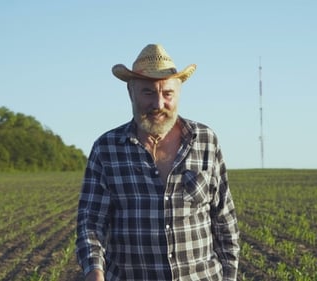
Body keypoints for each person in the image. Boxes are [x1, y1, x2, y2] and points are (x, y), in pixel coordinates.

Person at [76, 44, 240, 281]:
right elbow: (90, 223)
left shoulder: (206, 141)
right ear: (131, 92)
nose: (158, 104)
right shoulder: (107, 149)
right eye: (148, 92)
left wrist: (230, 276)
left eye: (167, 94)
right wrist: (95, 272)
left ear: (178, 93)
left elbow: (224, 220)